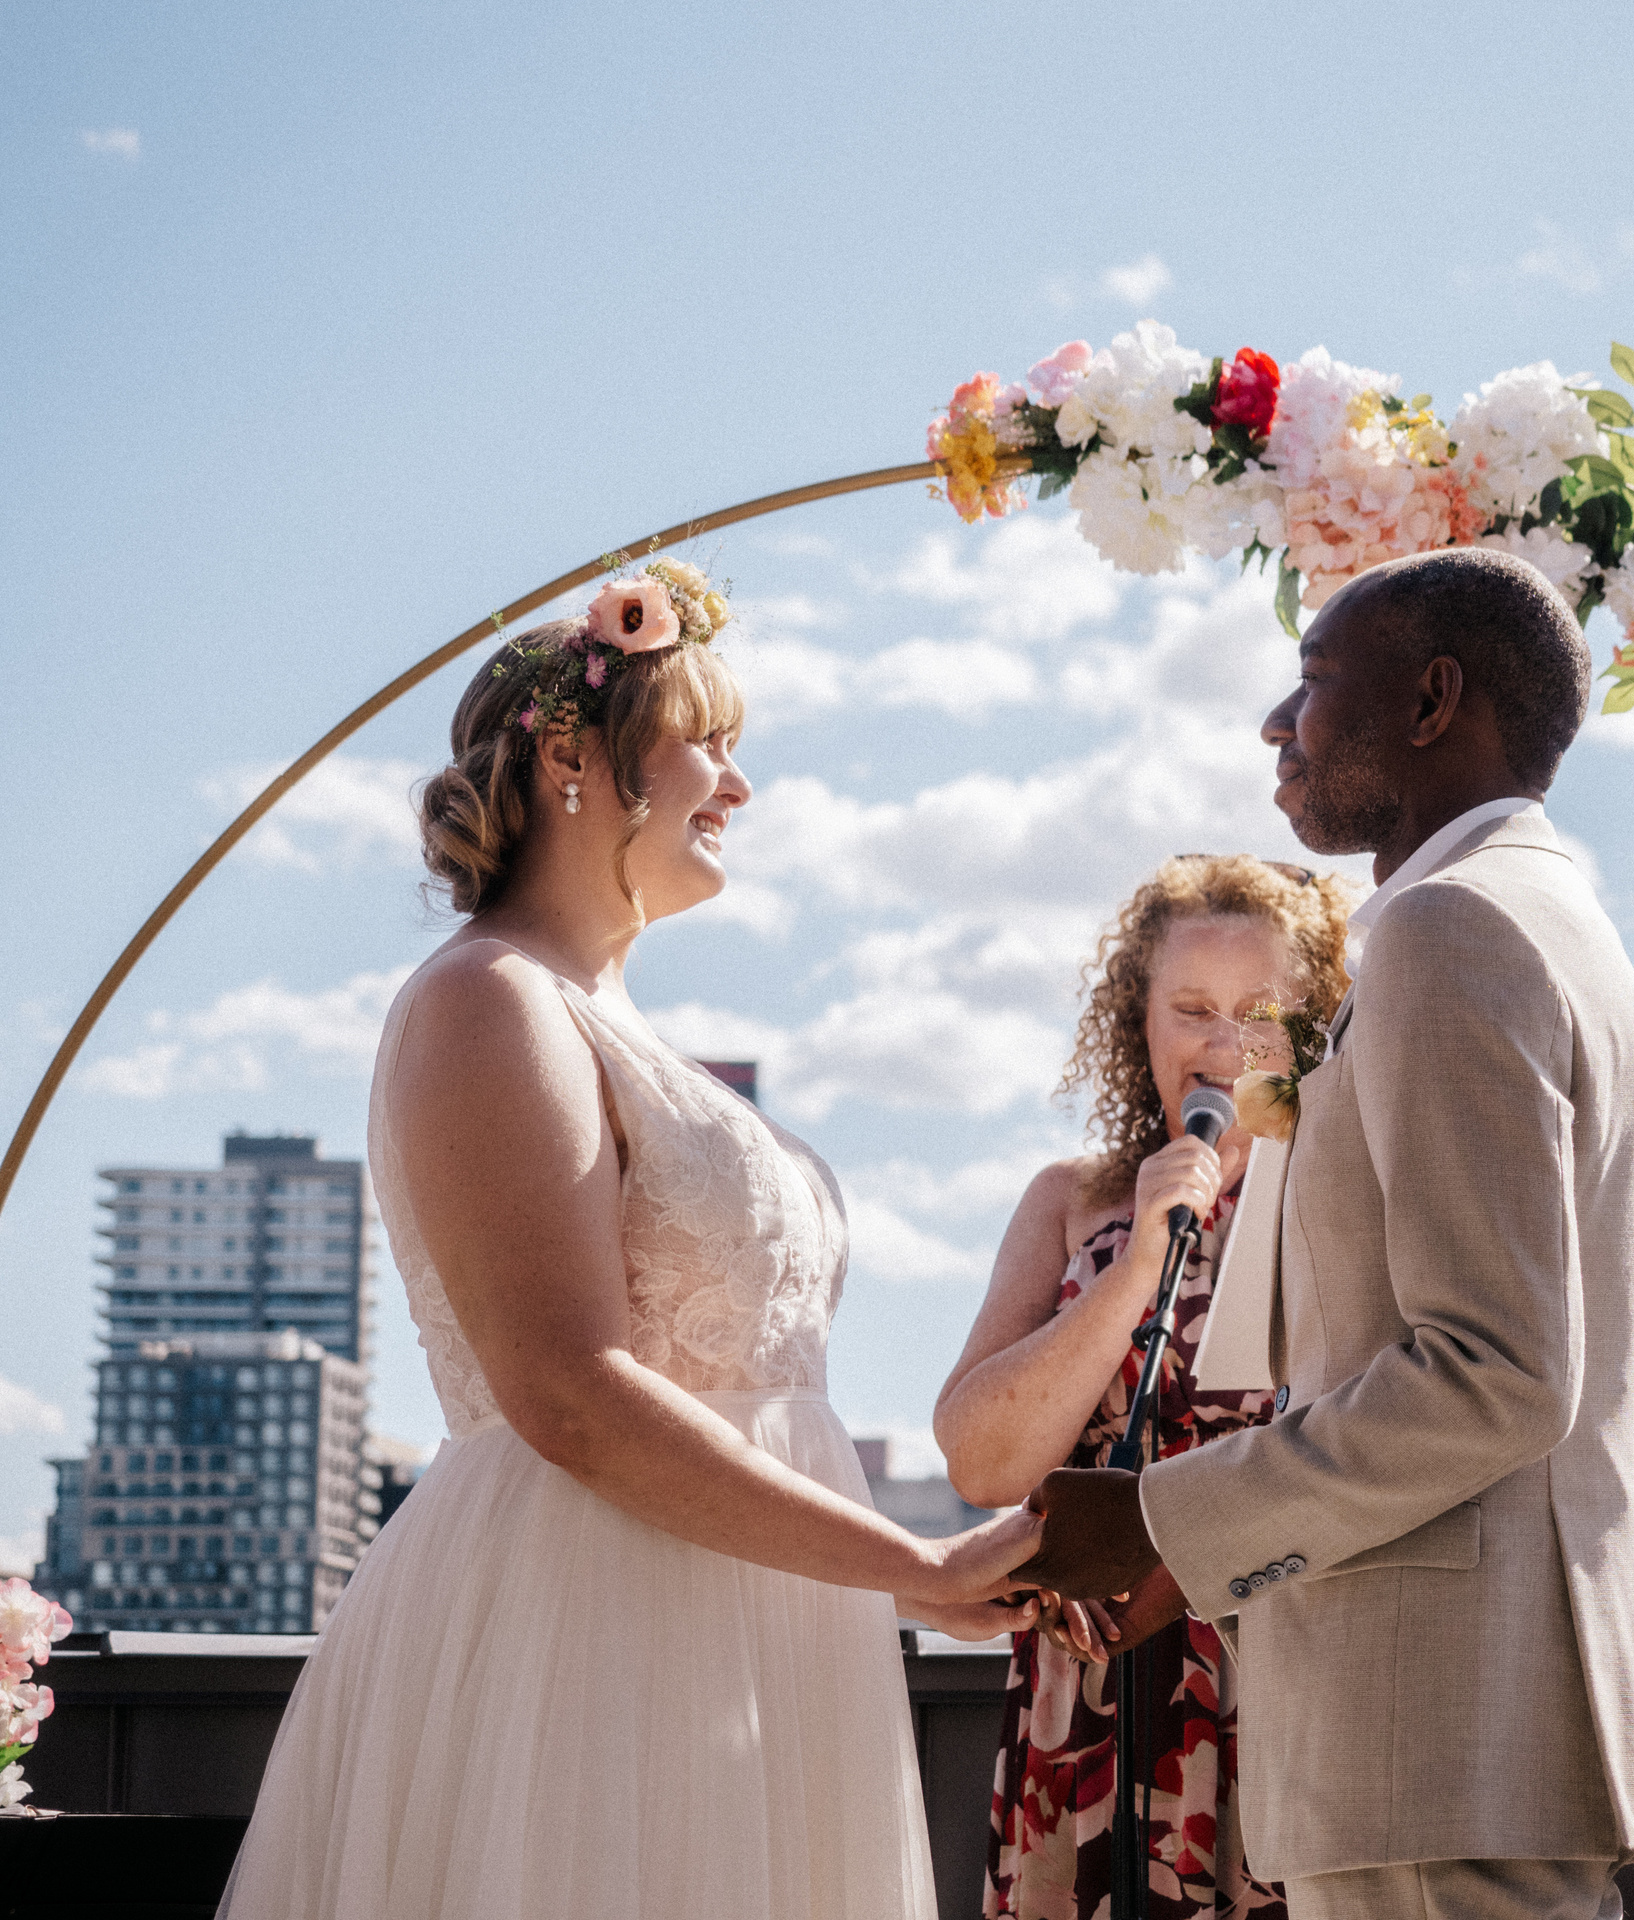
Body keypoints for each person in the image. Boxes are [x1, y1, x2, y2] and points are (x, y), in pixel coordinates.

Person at [220, 572, 1041, 1920]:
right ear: (568, 761)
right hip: (587, 1627)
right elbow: (568, 1392)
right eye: (708, 743)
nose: (741, 786)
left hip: (760, 1625)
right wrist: (915, 1565)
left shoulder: (615, 1025)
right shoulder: (491, 1003)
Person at [1014, 546, 1634, 1920]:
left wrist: (1164, 1520)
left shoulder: (1452, 929)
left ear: (1434, 699)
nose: (1277, 723)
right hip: (1466, 1737)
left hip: (1435, 1732)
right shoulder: (1545, 919)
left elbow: (1494, 1371)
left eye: (1314, 682)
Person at [937, 854, 1354, 1920]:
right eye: (1193, 1010)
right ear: (1142, 1023)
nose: (1224, 1045)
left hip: (1291, 1677)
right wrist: (1133, 1266)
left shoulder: (1354, 1201)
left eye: (1262, 1013)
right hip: (1089, 1696)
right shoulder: (1072, 1202)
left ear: (1319, 1024)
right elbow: (983, 1461)